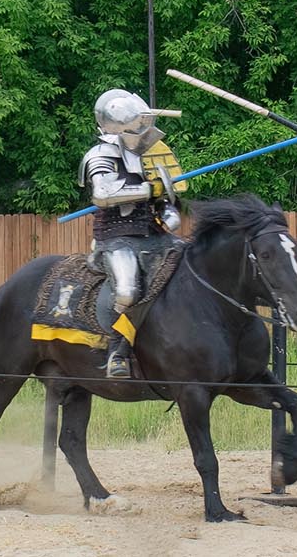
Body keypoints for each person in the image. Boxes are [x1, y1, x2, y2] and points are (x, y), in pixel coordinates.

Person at [77, 89, 182, 379]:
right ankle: (116, 351)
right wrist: (149, 189)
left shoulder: (149, 156)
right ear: (121, 125)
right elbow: (103, 193)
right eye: (137, 125)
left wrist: (167, 209)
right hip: (116, 238)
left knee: (192, 266)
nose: (142, 131)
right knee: (126, 289)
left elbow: (166, 204)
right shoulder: (101, 153)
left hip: (152, 234)